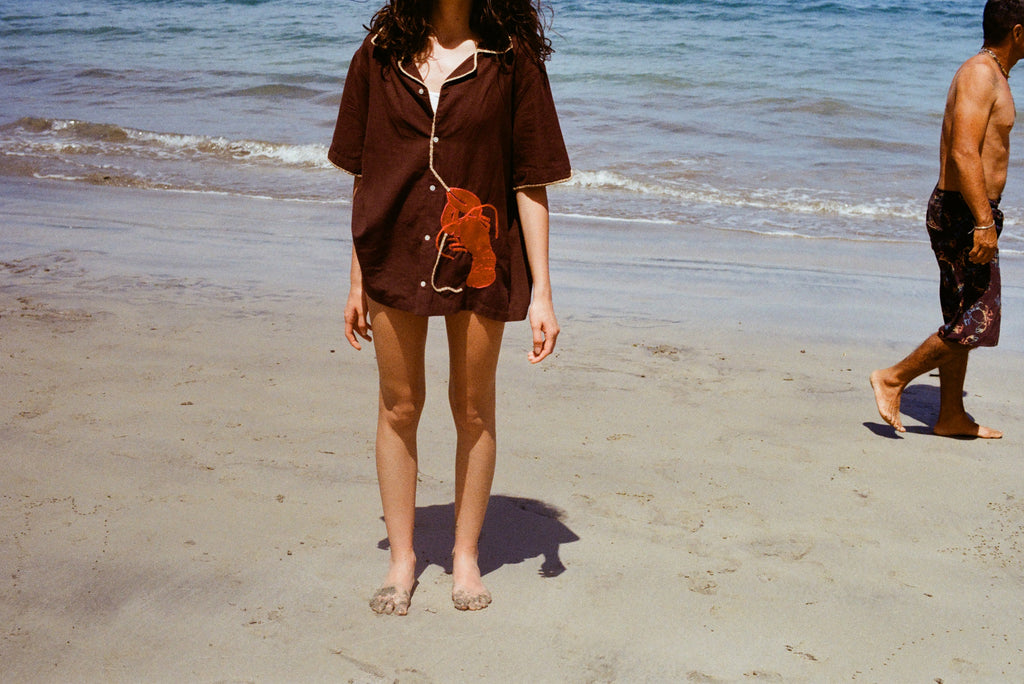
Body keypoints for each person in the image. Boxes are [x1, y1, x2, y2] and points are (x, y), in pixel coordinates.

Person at [328, 0, 571, 615]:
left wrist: (543, 292)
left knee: (473, 407)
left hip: (481, 255)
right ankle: (402, 559)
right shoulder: (381, 52)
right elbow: (365, 173)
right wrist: (356, 278)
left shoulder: (512, 58)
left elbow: (530, 180)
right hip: (393, 247)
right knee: (400, 405)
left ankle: (465, 557)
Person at [871, 0, 1024, 439]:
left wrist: (986, 216)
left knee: (960, 312)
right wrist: (983, 222)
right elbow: (963, 151)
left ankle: (951, 414)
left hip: (970, 210)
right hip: (963, 211)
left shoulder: (993, 73)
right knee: (978, 318)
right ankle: (893, 377)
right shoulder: (980, 73)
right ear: (1016, 32)